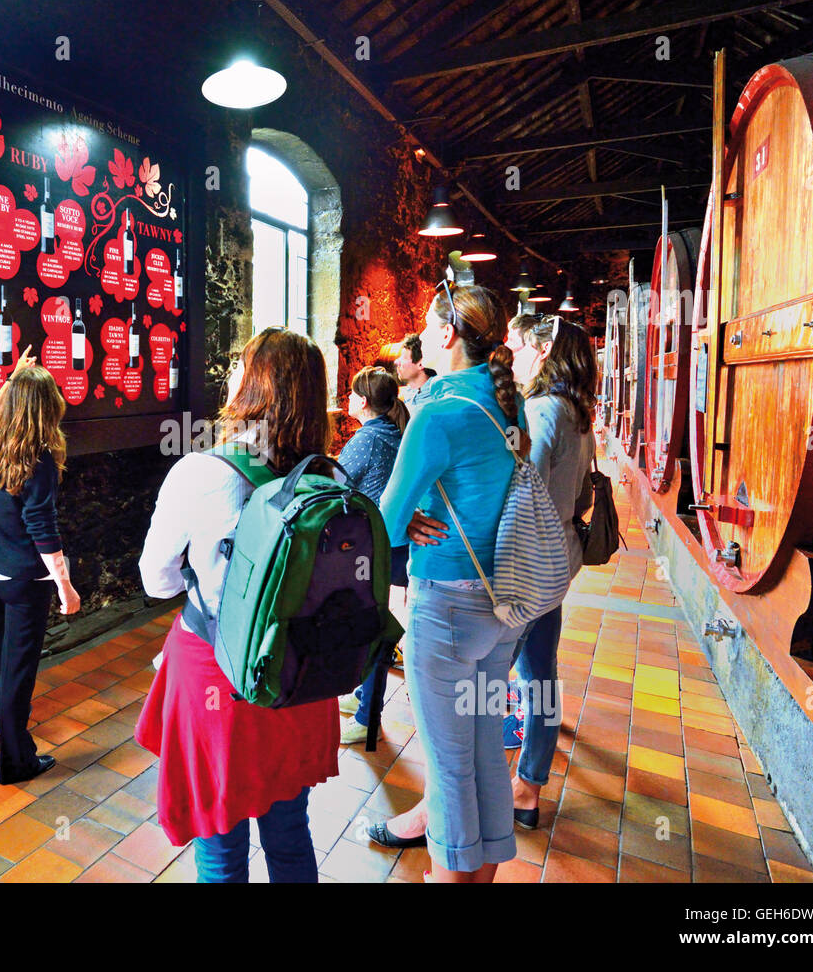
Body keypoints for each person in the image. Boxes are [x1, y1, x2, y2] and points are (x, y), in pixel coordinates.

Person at [136, 328, 339, 883]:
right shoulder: (324, 477)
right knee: (290, 833)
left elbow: (155, 580)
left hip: (220, 678)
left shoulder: (200, 473)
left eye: (239, 363)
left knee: (220, 844)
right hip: (299, 677)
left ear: (254, 385)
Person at [369, 282, 528, 883]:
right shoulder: (507, 404)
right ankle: (481, 872)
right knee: (486, 748)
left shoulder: (438, 413)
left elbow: (385, 519)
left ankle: (451, 875)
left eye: (429, 321)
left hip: (448, 611)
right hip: (503, 604)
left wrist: (402, 513)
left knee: (448, 760)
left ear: (448, 335)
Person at [503, 313, 596, 828]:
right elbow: (581, 496)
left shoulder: (541, 410)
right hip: (560, 557)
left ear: (542, 352)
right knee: (539, 672)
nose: (510, 353)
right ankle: (528, 786)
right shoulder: (577, 412)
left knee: (491, 671)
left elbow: (523, 485)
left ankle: (471, 791)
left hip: (527, 562)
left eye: (517, 345)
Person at [0, 346, 80, 785]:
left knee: (1, 660)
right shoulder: (39, 463)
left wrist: (14, 376)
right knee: (18, 670)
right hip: (22, 581)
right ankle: (17, 761)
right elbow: (43, 531)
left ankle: (5, 733)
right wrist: (66, 588)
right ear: (47, 410)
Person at [335, 365, 409, 744]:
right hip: (392, 545)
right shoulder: (392, 432)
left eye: (350, 394)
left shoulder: (368, 438)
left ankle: (368, 717)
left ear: (362, 402)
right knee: (374, 621)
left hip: (374, 546)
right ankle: (364, 696)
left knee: (372, 626)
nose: (347, 400)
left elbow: (336, 483)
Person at [394, 332, 436, 414]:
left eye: (404, 357)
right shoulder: (409, 393)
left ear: (420, 364)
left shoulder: (434, 399)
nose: (396, 362)